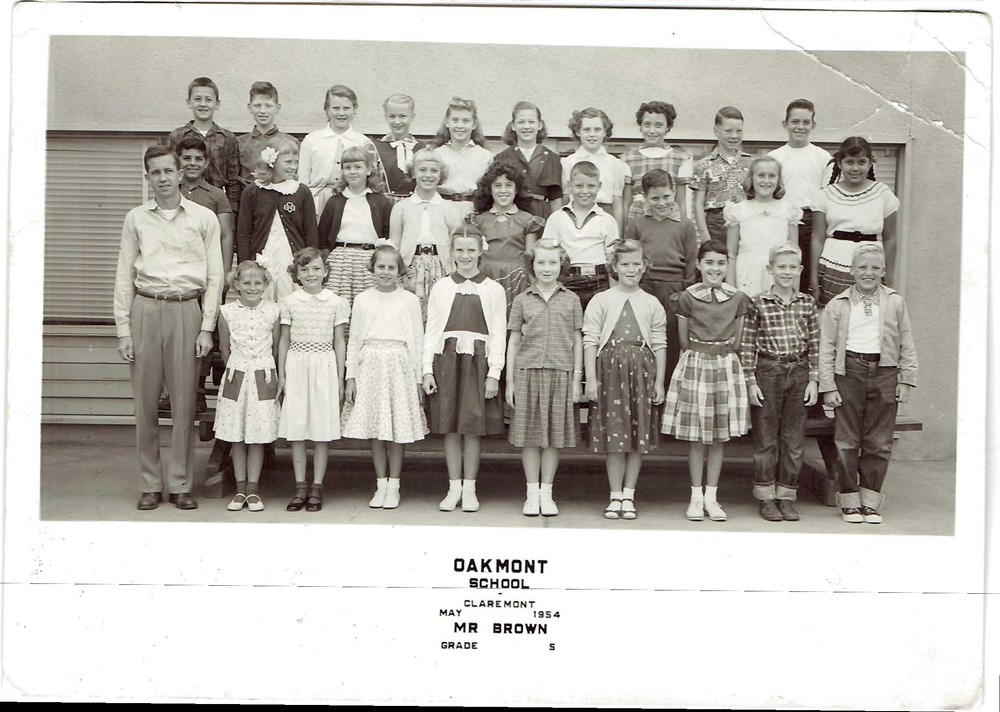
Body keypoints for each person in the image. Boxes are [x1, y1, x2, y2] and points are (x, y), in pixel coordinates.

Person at [114, 145, 223, 511]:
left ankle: (180, 484)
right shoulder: (136, 219)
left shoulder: (203, 218)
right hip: (145, 308)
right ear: (148, 177)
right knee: (145, 403)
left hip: (186, 310)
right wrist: (123, 329)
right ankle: (150, 483)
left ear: (180, 174)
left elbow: (215, 275)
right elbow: (124, 274)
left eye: (167, 171)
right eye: (155, 172)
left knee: (184, 404)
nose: (162, 178)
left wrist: (207, 326)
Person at [819, 243, 917, 524]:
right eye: (862, 267)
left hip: (885, 372)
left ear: (883, 271)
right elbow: (826, 347)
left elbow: (907, 342)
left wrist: (906, 379)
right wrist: (828, 385)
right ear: (852, 270)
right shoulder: (839, 304)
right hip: (849, 371)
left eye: (875, 268)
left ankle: (871, 502)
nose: (868, 273)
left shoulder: (895, 302)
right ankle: (850, 500)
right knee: (847, 440)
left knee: (879, 442)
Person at [661, 239, 750, 522]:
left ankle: (712, 497)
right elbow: (684, 340)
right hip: (697, 365)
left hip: (725, 366)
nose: (715, 268)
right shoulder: (687, 297)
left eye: (721, 263)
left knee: (719, 436)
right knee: (697, 437)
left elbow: (737, 339)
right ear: (699, 264)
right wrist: (702, 354)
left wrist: (721, 353)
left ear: (728, 265)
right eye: (709, 262)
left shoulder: (737, 298)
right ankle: (696, 498)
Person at [422, 223, 507, 513]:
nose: (465, 255)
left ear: (481, 251)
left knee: (472, 428)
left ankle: (470, 488)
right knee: (450, 428)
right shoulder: (442, 287)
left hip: (478, 362)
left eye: (471, 250)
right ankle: (453, 487)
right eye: (460, 250)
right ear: (452, 252)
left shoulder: (494, 289)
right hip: (447, 361)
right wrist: (427, 369)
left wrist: (494, 373)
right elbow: (432, 330)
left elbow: (499, 334)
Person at [583, 240, 667, 521]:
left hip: (641, 371)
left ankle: (629, 494)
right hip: (610, 372)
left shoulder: (651, 302)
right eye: (625, 265)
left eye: (636, 264)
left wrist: (659, 381)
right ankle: (615, 495)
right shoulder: (602, 300)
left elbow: (659, 343)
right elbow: (590, 340)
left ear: (644, 266)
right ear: (615, 267)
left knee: (636, 434)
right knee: (615, 435)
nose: (631, 270)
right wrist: (591, 379)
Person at [342, 245, 427, 510]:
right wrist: (351, 376)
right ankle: (380, 484)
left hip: (399, 365)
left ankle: (394, 485)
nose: (386, 272)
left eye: (391, 267)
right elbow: (354, 339)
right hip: (370, 365)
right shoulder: (363, 299)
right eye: (381, 266)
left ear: (400, 270)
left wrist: (418, 378)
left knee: (397, 428)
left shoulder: (409, 300)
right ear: (372, 268)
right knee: (376, 428)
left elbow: (417, 340)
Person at [740, 243, 819, 522]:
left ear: (800, 270)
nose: (787, 272)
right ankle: (766, 497)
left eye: (792, 267)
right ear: (770, 269)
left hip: (799, 371)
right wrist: (751, 381)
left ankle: (786, 496)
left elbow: (815, 343)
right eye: (781, 267)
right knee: (766, 437)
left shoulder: (807, 303)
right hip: (768, 371)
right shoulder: (758, 303)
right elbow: (747, 344)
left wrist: (814, 379)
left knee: (794, 439)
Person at [506, 238, 583, 516]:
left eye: (552, 262)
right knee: (529, 437)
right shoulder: (522, 300)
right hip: (527, 373)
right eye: (541, 262)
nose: (547, 268)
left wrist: (577, 379)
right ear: (532, 265)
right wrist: (510, 382)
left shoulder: (571, 299)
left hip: (560, 373)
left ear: (561, 265)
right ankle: (531, 493)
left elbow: (577, 340)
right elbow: (514, 341)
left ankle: (547, 493)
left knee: (553, 437)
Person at [277, 248, 349, 513]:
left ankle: (317, 486)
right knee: (297, 427)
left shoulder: (336, 302)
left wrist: (340, 377)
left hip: (324, 366)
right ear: (296, 274)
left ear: (326, 271)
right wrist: (282, 374)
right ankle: (300, 486)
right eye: (305, 269)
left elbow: (339, 341)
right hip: (297, 365)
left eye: (317, 268)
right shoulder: (290, 301)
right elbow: (284, 339)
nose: (311, 274)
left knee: (321, 428)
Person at [214, 261, 281, 512]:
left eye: (258, 283)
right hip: (237, 374)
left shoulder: (273, 311)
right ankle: (240, 489)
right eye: (246, 282)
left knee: (257, 436)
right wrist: (237, 367)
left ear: (265, 285)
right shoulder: (227, 312)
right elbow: (224, 349)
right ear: (237, 285)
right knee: (237, 435)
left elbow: (276, 347)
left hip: (263, 375)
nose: (252, 287)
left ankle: (253, 490)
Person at [624, 168, 698, 390]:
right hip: (644, 287)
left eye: (666, 196)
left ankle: (667, 391)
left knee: (670, 341)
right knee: (643, 338)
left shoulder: (685, 225)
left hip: (673, 289)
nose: (662, 203)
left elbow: (691, 262)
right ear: (645, 197)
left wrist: (684, 293)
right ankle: (643, 390)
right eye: (655, 198)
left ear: (674, 192)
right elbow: (629, 257)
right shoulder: (636, 224)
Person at [810, 136, 899, 307]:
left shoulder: (883, 194)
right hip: (833, 267)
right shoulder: (825, 195)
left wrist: (890, 279)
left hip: (871, 268)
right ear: (839, 163)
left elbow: (890, 239)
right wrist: (814, 282)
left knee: (869, 316)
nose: (855, 168)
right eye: (849, 162)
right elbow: (817, 238)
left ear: (870, 163)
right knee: (836, 315)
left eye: (861, 162)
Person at [236, 141, 318, 302]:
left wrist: (310, 264)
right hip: (263, 254)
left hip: (291, 253)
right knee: (263, 294)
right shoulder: (252, 191)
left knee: (291, 296)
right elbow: (244, 233)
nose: (293, 167)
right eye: (288, 162)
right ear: (272, 162)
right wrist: (244, 265)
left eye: (296, 162)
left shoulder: (301, 191)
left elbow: (311, 232)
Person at [767, 99, 832, 293]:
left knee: (808, 275)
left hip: (813, 223)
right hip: (782, 221)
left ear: (813, 125)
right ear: (785, 124)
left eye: (806, 122)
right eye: (795, 121)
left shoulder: (823, 157)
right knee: (782, 270)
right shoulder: (774, 157)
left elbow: (828, 196)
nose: (800, 127)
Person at [389, 148, 461, 320]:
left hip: (440, 267)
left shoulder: (449, 208)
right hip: (410, 268)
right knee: (409, 315)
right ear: (413, 173)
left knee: (439, 314)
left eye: (434, 171)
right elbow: (394, 243)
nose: (428, 175)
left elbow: (456, 244)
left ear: (440, 175)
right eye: (422, 170)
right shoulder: (401, 207)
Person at [318, 145, 392, 308]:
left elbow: (388, 235)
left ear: (368, 170)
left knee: (370, 306)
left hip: (369, 261)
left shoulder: (380, 202)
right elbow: (322, 237)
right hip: (341, 262)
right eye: (348, 168)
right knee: (340, 306)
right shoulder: (334, 202)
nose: (352, 172)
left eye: (358, 167)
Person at [540, 160, 619, 312]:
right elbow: (547, 255)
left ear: (599, 186)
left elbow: (612, 262)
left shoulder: (607, 220)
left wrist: (613, 296)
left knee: (596, 324)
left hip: (598, 282)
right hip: (566, 282)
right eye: (579, 186)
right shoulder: (557, 218)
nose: (585, 191)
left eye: (591, 186)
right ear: (569, 186)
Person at [298, 84, 386, 214]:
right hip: (317, 201)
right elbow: (303, 179)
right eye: (335, 108)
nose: (341, 113)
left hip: (353, 201)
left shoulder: (363, 142)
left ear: (354, 109)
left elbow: (371, 180)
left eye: (346, 108)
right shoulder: (312, 140)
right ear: (327, 110)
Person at [471, 161, 545, 314]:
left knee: (514, 318)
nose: (503, 190)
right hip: (486, 275)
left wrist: (536, 288)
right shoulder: (479, 220)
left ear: (516, 189)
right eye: (498, 186)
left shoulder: (527, 220)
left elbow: (530, 257)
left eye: (509, 185)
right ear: (490, 189)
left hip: (517, 277)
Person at [724, 156, 803, 297]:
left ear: (778, 180)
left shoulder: (788, 211)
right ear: (751, 178)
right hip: (747, 272)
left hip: (778, 273)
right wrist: (731, 289)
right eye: (761, 175)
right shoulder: (738, 211)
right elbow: (731, 254)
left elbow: (794, 254)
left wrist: (794, 290)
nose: (766, 180)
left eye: (772, 176)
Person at [165, 77, 241, 213]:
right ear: (189, 102)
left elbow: (233, 182)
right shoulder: (177, 136)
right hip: (183, 202)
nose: (203, 104)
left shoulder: (228, 138)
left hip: (216, 205)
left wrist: (231, 212)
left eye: (208, 100)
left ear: (217, 104)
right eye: (197, 99)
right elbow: (169, 173)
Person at [621, 100, 693, 230]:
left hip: (669, 221)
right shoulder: (628, 159)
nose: (652, 131)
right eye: (647, 125)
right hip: (639, 222)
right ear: (640, 126)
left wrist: (683, 231)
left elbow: (681, 202)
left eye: (658, 125)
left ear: (667, 127)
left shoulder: (680, 159)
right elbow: (626, 203)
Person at [560, 107, 630, 232]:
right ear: (578, 132)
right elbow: (565, 199)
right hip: (576, 218)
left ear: (605, 132)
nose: (592, 134)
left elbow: (617, 204)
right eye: (586, 129)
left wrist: (617, 236)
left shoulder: (616, 164)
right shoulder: (568, 163)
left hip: (605, 217)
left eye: (597, 129)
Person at [690, 106, 754, 242]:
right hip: (716, 223)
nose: (734, 136)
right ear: (716, 131)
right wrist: (705, 236)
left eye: (739, 131)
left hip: (746, 221)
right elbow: (698, 204)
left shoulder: (750, 163)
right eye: (728, 131)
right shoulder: (704, 165)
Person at [491, 101, 563, 219]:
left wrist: (557, 222)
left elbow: (555, 198)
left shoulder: (552, 158)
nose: (526, 126)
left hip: (541, 215)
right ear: (513, 126)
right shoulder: (502, 157)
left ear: (539, 125)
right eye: (521, 122)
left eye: (531, 122)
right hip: (512, 215)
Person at [430, 96, 493, 224]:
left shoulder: (485, 156)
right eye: (455, 120)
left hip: (473, 211)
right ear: (447, 122)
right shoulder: (437, 154)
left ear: (474, 124)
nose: (460, 126)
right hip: (441, 209)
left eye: (466, 121)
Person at [237, 81, 300, 191]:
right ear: (250, 107)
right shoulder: (239, 143)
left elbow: (294, 177)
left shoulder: (291, 142)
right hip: (248, 197)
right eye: (257, 106)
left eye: (268, 106)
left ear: (277, 108)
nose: (262, 111)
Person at [374, 93, 426, 204]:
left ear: (412, 117)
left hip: (415, 204)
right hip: (385, 205)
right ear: (386, 117)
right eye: (392, 116)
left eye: (402, 116)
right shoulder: (376, 148)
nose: (397, 121)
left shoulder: (422, 149)